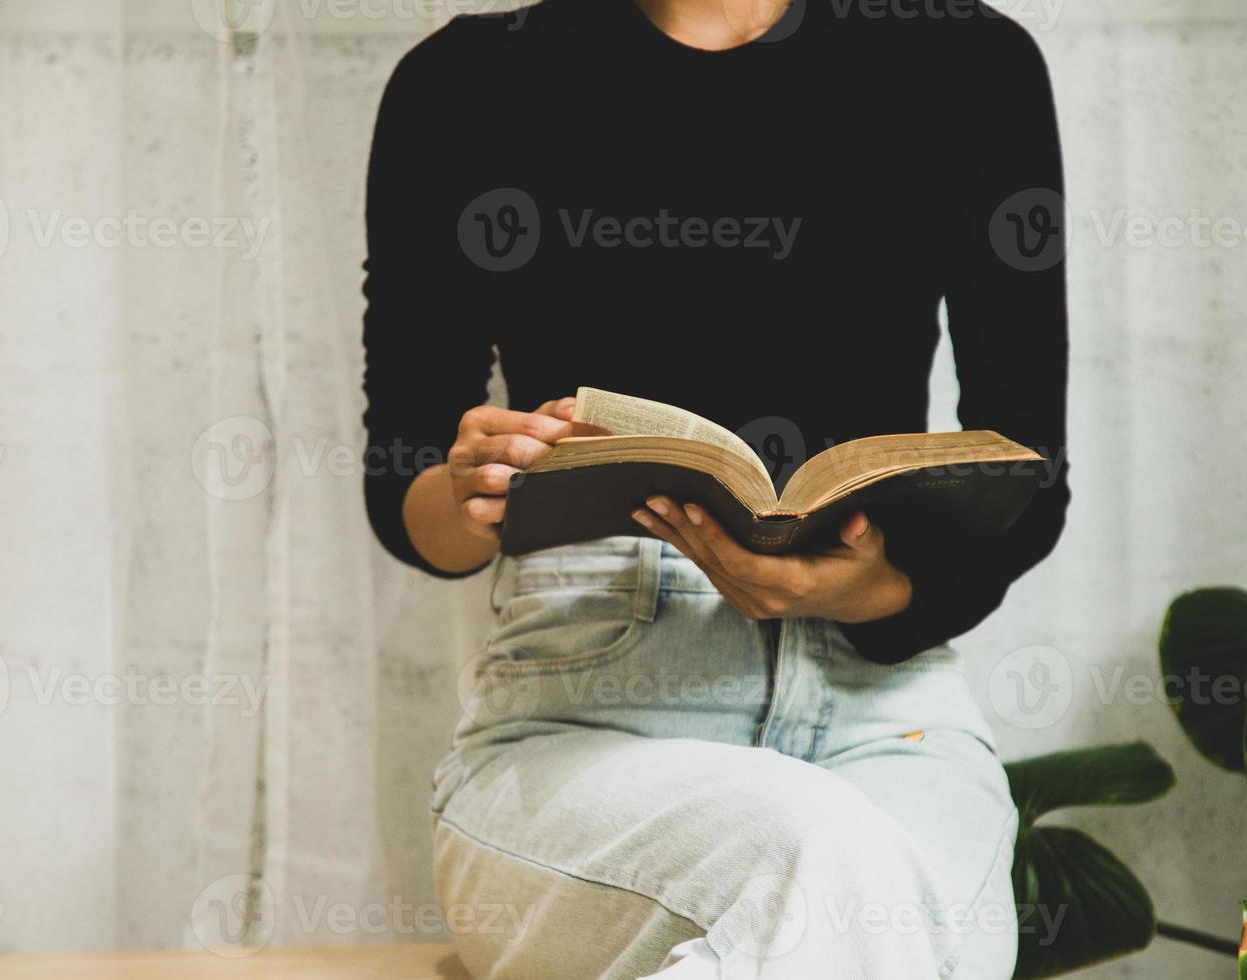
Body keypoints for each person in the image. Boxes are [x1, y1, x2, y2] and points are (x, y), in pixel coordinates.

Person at [361, 0, 1069, 973]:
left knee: (860, 900)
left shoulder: (973, 62)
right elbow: (401, 487)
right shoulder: (469, 79)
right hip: (585, 703)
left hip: (890, 709)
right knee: (823, 862)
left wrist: (867, 589)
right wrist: (470, 484)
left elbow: (1029, 469)